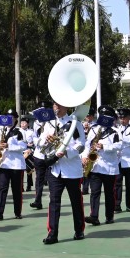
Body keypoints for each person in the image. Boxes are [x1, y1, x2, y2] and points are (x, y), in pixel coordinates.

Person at [43, 98, 87, 245]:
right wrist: (47, 142)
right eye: (55, 104)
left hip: (72, 169)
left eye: (59, 104)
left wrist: (67, 152)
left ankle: (79, 230)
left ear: (66, 107)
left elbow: (81, 145)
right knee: (54, 202)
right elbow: (40, 144)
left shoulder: (75, 123)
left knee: (76, 201)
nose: (56, 107)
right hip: (55, 169)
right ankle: (52, 234)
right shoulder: (49, 124)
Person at [83, 106, 121, 225]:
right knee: (95, 192)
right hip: (95, 166)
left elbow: (119, 146)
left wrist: (105, 146)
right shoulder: (93, 129)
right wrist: (84, 156)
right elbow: (87, 145)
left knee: (109, 192)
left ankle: (109, 216)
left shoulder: (115, 131)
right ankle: (94, 216)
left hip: (109, 167)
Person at [0, 109, 25, 220]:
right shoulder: (2, 130)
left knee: (16, 190)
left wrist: (9, 147)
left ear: (15, 119)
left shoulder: (20, 131)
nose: (9, 119)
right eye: (8, 117)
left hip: (15, 165)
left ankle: (17, 212)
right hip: (3, 163)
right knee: (2, 188)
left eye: (12, 117)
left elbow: (24, 146)